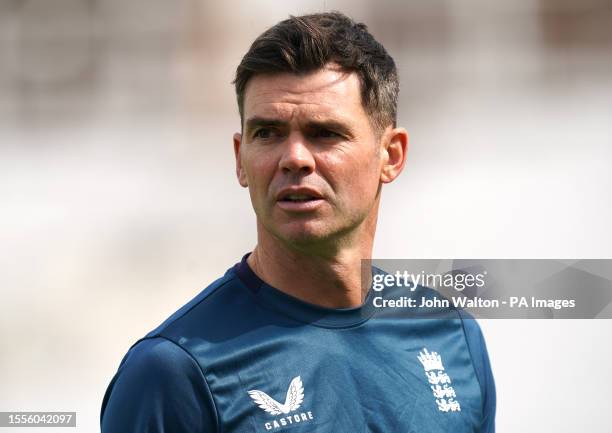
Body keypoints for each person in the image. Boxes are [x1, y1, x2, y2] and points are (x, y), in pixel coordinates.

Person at [100, 12, 495, 432]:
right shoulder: (173, 373)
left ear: (391, 155)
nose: (294, 158)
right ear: (240, 160)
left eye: (325, 133)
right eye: (267, 134)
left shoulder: (451, 336)